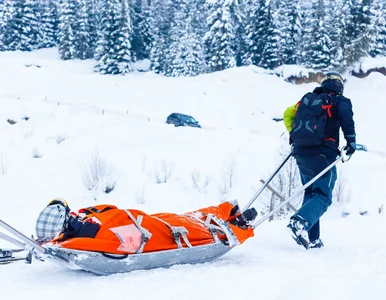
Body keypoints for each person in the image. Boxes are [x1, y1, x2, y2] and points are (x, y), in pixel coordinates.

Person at [283, 71, 356, 249]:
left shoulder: (306, 101)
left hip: (300, 152)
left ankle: (313, 239)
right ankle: (299, 222)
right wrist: (351, 142)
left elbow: (287, 114)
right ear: (340, 86)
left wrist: (295, 136)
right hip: (323, 154)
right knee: (323, 197)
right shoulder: (340, 101)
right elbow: (347, 119)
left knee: (311, 194)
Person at [35, 198, 257, 254]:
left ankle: (234, 220)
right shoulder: (87, 220)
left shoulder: (89, 229)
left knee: (193, 224)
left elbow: (124, 243)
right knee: (189, 221)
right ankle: (234, 218)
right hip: (152, 225)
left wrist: (59, 245)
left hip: (153, 225)